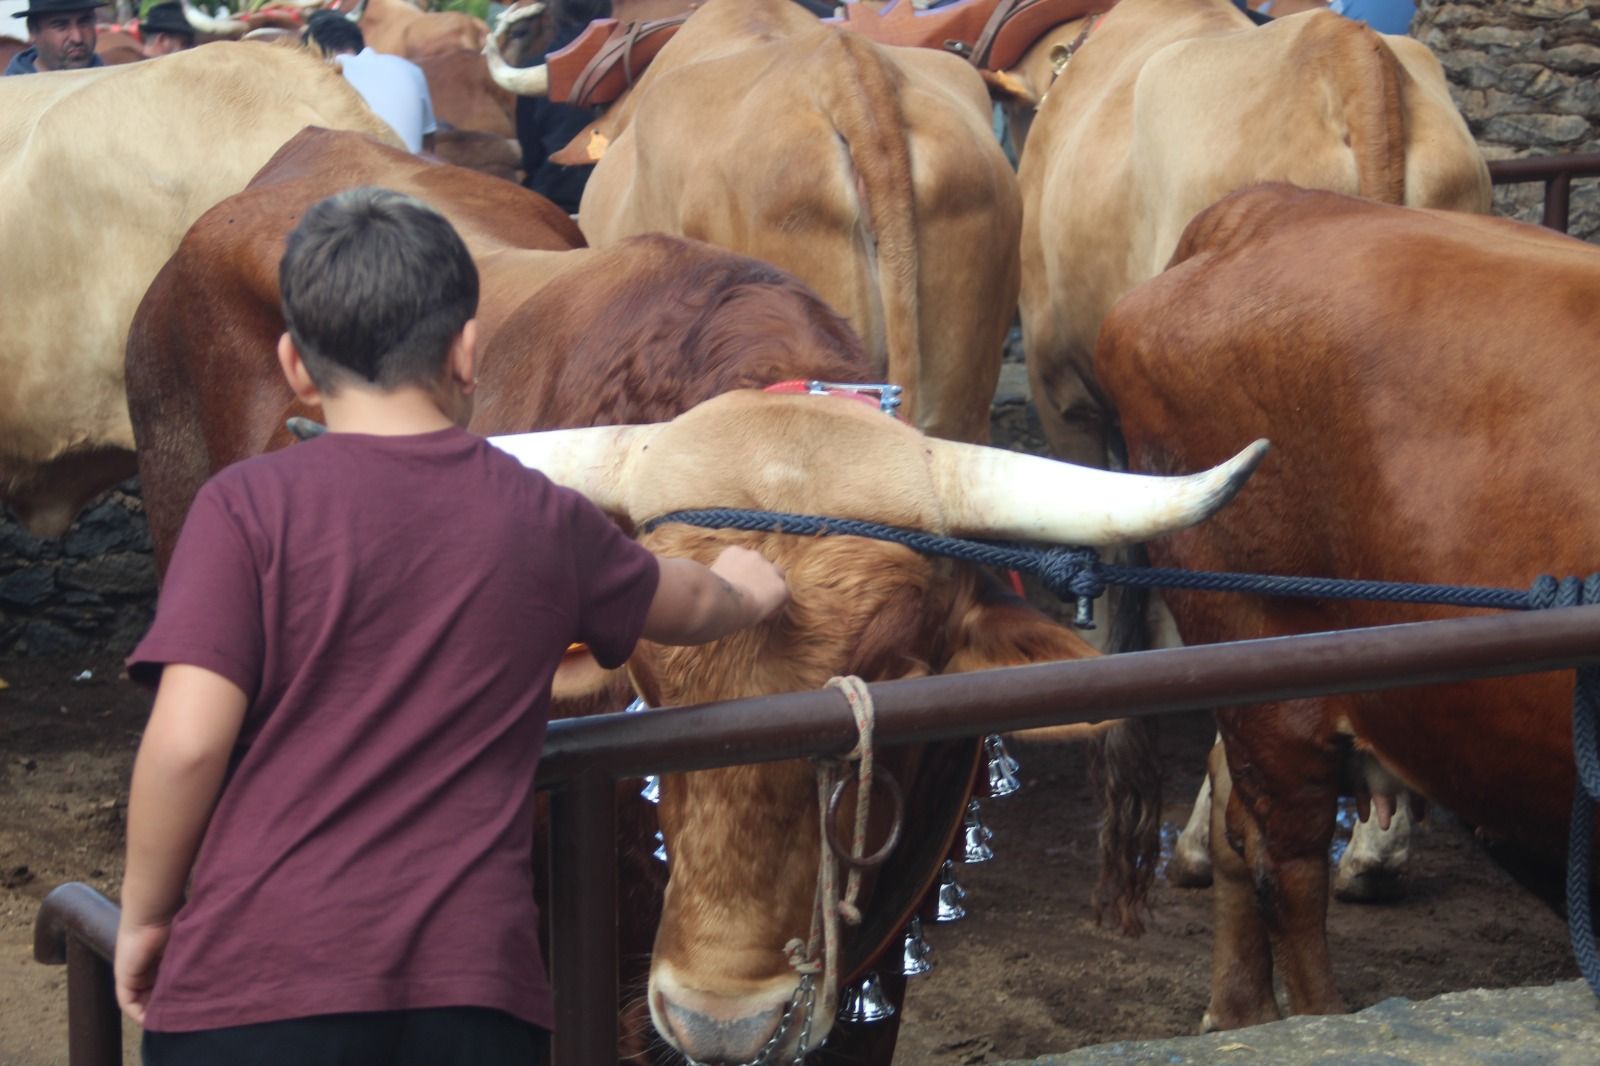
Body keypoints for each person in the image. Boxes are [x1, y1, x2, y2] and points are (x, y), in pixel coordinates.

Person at [112, 186, 789, 1066]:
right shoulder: (543, 518)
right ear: (468, 352)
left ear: (296, 367)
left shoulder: (242, 509)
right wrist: (747, 587)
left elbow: (188, 746)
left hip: (253, 988)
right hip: (471, 1001)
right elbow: (689, 605)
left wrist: (147, 912)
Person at [303, 10, 436, 153]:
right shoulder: (410, 68)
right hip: (414, 168)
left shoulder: (317, 75)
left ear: (313, 50)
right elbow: (428, 144)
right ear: (359, 42)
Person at [4, 0, 103, 75]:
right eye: (61, 26)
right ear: (32, 30)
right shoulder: (9, 96)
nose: (77, 38)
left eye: (84, 22)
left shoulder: (112, 85)